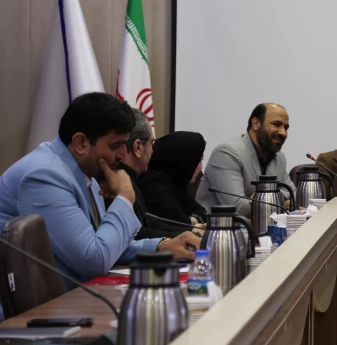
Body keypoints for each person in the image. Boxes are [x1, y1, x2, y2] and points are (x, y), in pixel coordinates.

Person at [0, 93, 198, 286]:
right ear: (81, 143)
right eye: (116, 145)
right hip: (37, 305)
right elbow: (94, 261)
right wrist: (124, 198)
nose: (123, 155)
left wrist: (161, 247)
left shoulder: (88, 170)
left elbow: (105, 245)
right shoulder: (45, 177)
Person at [195, 103, 296, 217]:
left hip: (261, 225)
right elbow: (237, 208)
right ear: (256, 123)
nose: (283, 132)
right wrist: (283, 203)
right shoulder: (227, 153)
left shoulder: (279, 157)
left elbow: (294, 195)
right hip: (218, 226)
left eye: (286, 128)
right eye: (276, 125)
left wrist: (265, 197)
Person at [119, 110, 185, 239]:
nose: (153, 150)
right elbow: (135, 234)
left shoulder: (133, 178)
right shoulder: (117, 182)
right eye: (151, 143)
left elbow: (149, 224)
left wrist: (191, 233)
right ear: (138, 147)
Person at [137, 131, 208, 227]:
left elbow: (202, 212)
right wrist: (192, 221)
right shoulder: (152, 184)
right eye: (199, 161)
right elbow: (180, 225)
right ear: (184, 161)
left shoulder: (176, 184)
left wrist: (192, 220)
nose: (201, 167)